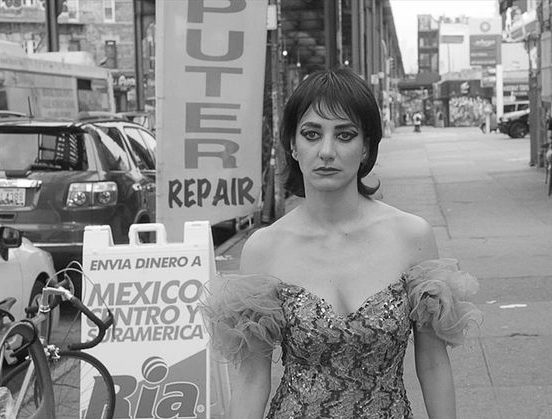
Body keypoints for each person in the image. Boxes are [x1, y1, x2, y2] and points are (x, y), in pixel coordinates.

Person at [202, 68, 481, 418]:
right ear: (292, 144)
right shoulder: (264, 248)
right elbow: (251, 379)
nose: (327, 151)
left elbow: (433, 363)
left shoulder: (412, 236)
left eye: (345, 135)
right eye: (311, 134)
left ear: (366, 147)